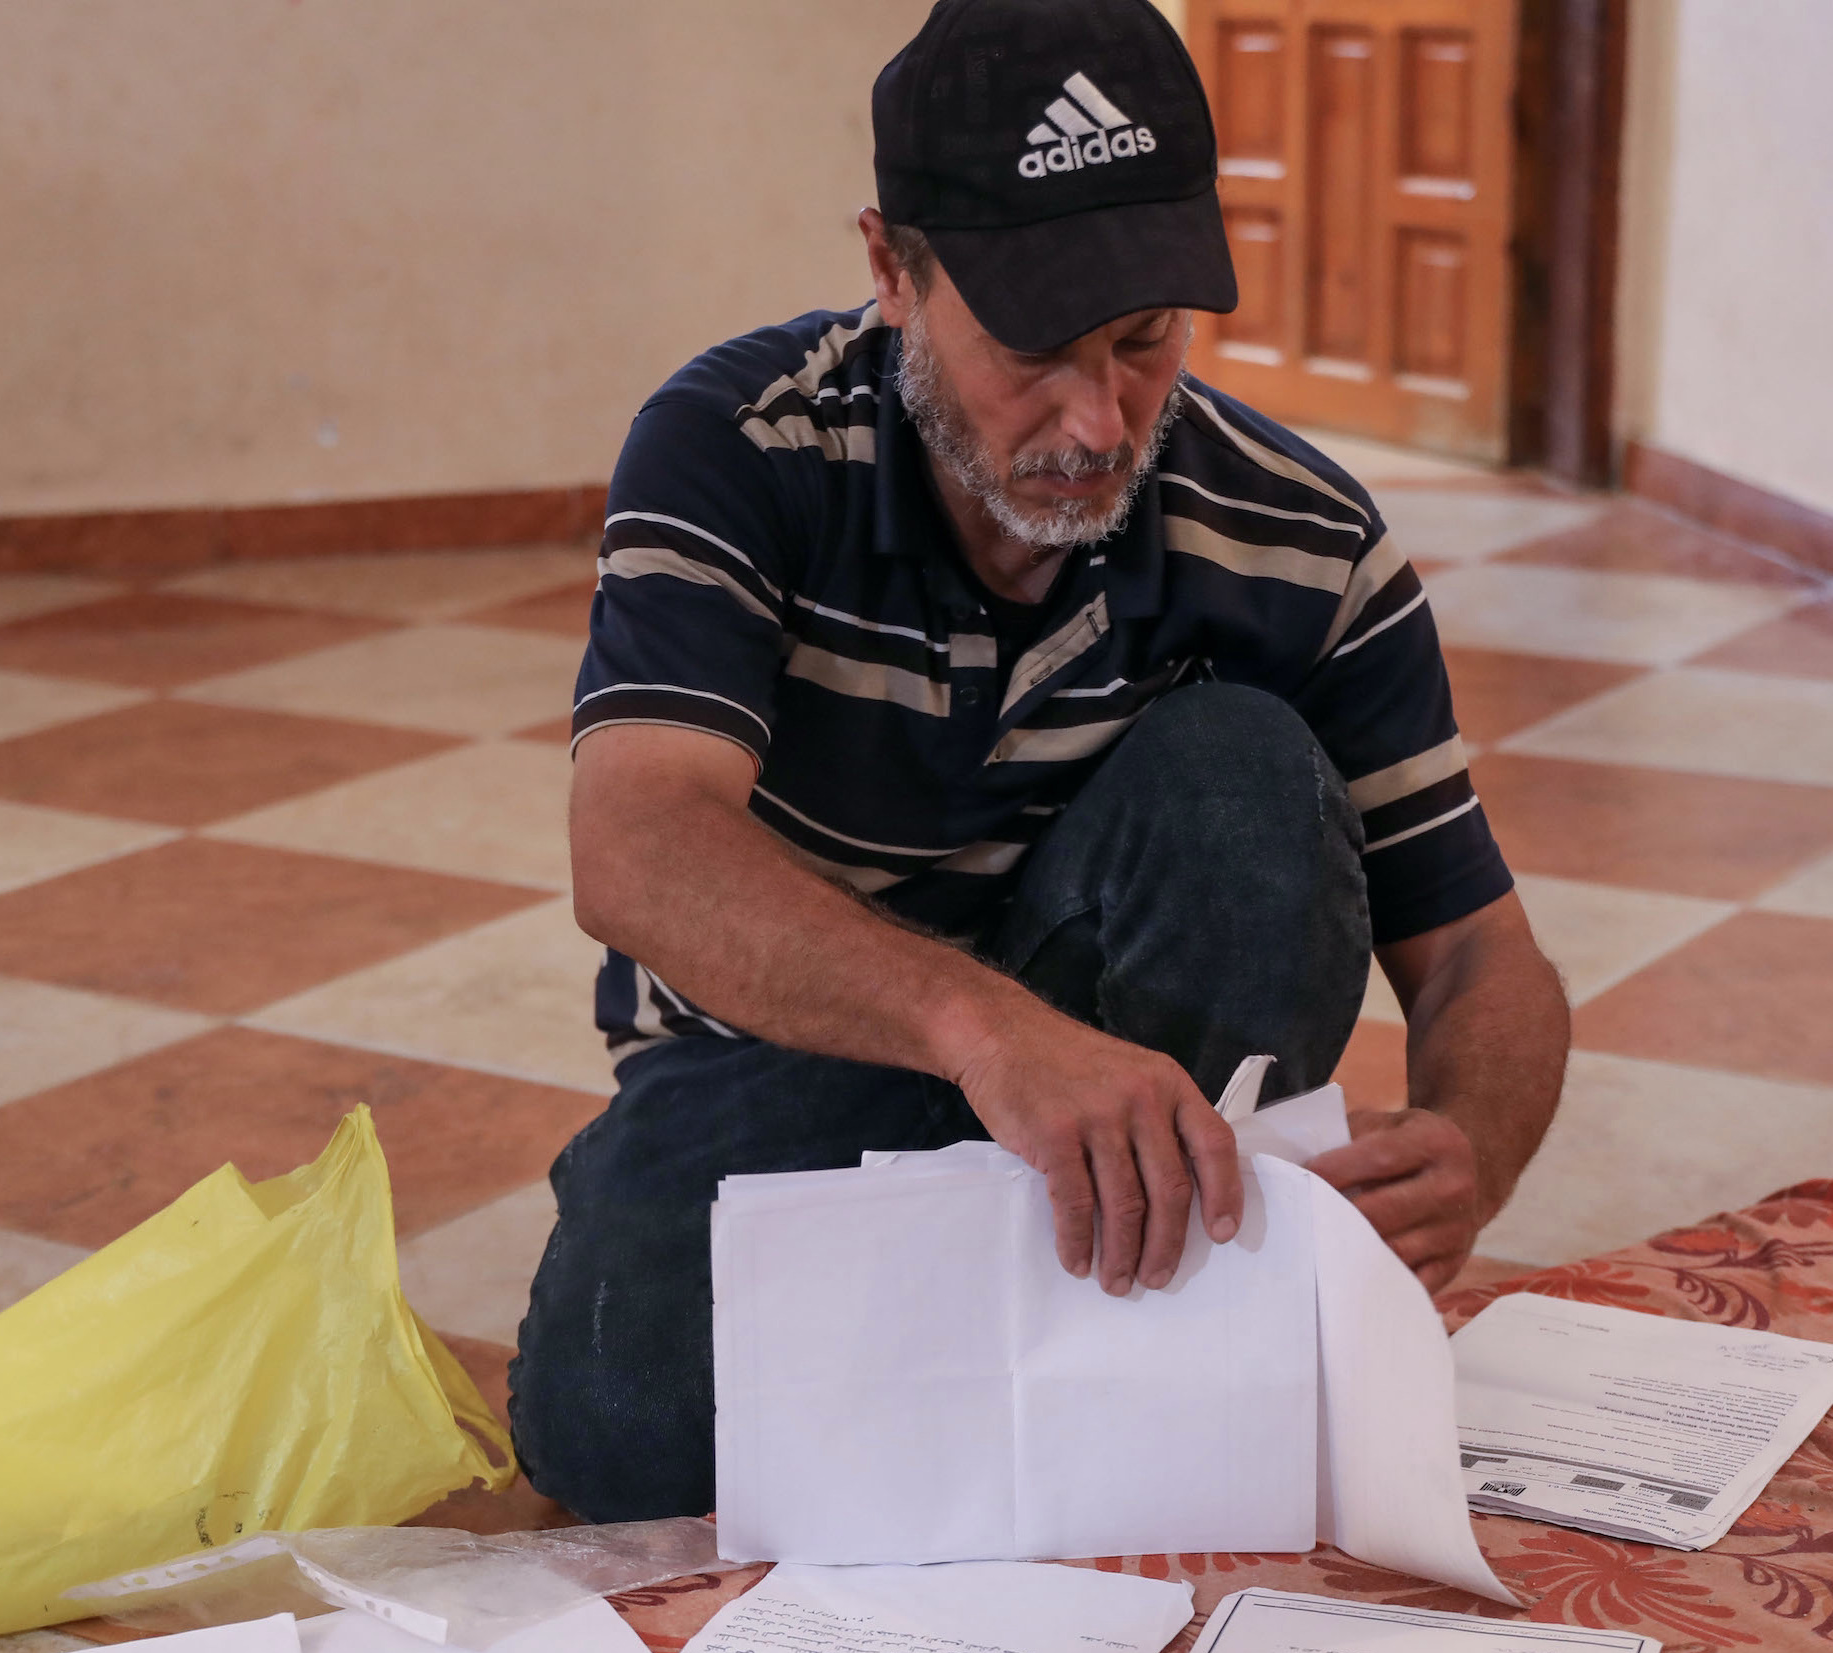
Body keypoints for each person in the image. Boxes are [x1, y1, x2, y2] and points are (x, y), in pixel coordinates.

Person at [510, 0, 1569, 1524]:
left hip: (1139, 1112)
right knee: (615, 1438)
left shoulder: (1303, 538)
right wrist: (986, 1035)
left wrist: (1474, 1145)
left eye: (1144, 342)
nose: (1098, 418)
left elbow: (1476, 950)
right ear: (894, 270)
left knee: (1246, 774)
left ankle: (1120, 1320)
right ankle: (1059, 1335)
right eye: (1031, 350)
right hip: (801, 1057)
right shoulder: (739, 450)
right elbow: (636, 845)